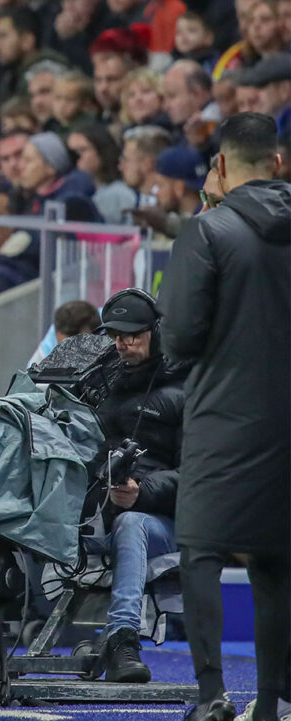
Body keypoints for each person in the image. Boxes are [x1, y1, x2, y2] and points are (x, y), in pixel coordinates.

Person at [158, 113, 290, 721]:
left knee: (201, 553)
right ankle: (272, 702)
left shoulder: (208, 229)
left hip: (222, 419)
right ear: (279, 163)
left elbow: (179, 338)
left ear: (220, 167)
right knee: (277, 562)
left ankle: (212, 696)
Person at [80, 288, 190, 684]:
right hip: (99, 515)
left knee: (133, 524)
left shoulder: (188, 392)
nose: (123, 343)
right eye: (115, 336)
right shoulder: (97, 387)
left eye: (133, 334)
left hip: (168, 523)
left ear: (156, 333)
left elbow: (197, 474)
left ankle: (123, 638)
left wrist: (141, 492)